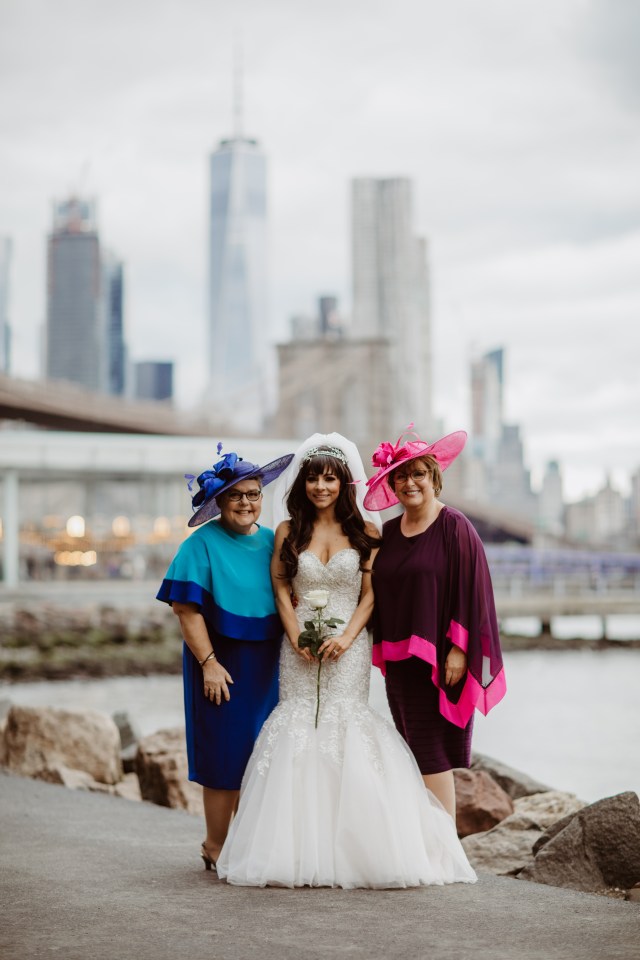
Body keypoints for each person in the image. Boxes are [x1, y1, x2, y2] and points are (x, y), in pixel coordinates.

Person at [216, 433, 476, 888]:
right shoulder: (287, 531)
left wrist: (348, 636)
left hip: (348, 647)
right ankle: (294, 849)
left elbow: (373, 594)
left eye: (330, 478)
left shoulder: (368, 532)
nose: (321, 486)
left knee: (345, 724)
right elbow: (280, 588)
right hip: (298, 648)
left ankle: (359, 847)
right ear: (303, 483)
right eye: (314, 477)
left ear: (343, 484)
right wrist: (296, 633)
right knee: (299, 724)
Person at [156, 445, 294, 869]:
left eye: (253, 494)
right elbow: (186, 609)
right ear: (219, 501)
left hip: (268, 666)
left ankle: (248, 843)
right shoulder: (199, 545)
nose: (246, 503)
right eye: (236, 495)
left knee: (260, 754)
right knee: (224, 756)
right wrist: (209, 663)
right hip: (220, 664)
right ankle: (216, 845)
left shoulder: (274, 542)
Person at [363, 425, 506, 819]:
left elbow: (473, 590)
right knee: (411, 750)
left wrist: (459, 651)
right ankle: (427, 842)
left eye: (418, 474)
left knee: (432, 753)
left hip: (440, 661)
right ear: (392, 484)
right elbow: (371, 589)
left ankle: (446, 849)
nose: (410, 483)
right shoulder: (388, 533)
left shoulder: (454, 526)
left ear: (434, 478)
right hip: (399, 661)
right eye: (401, 476)